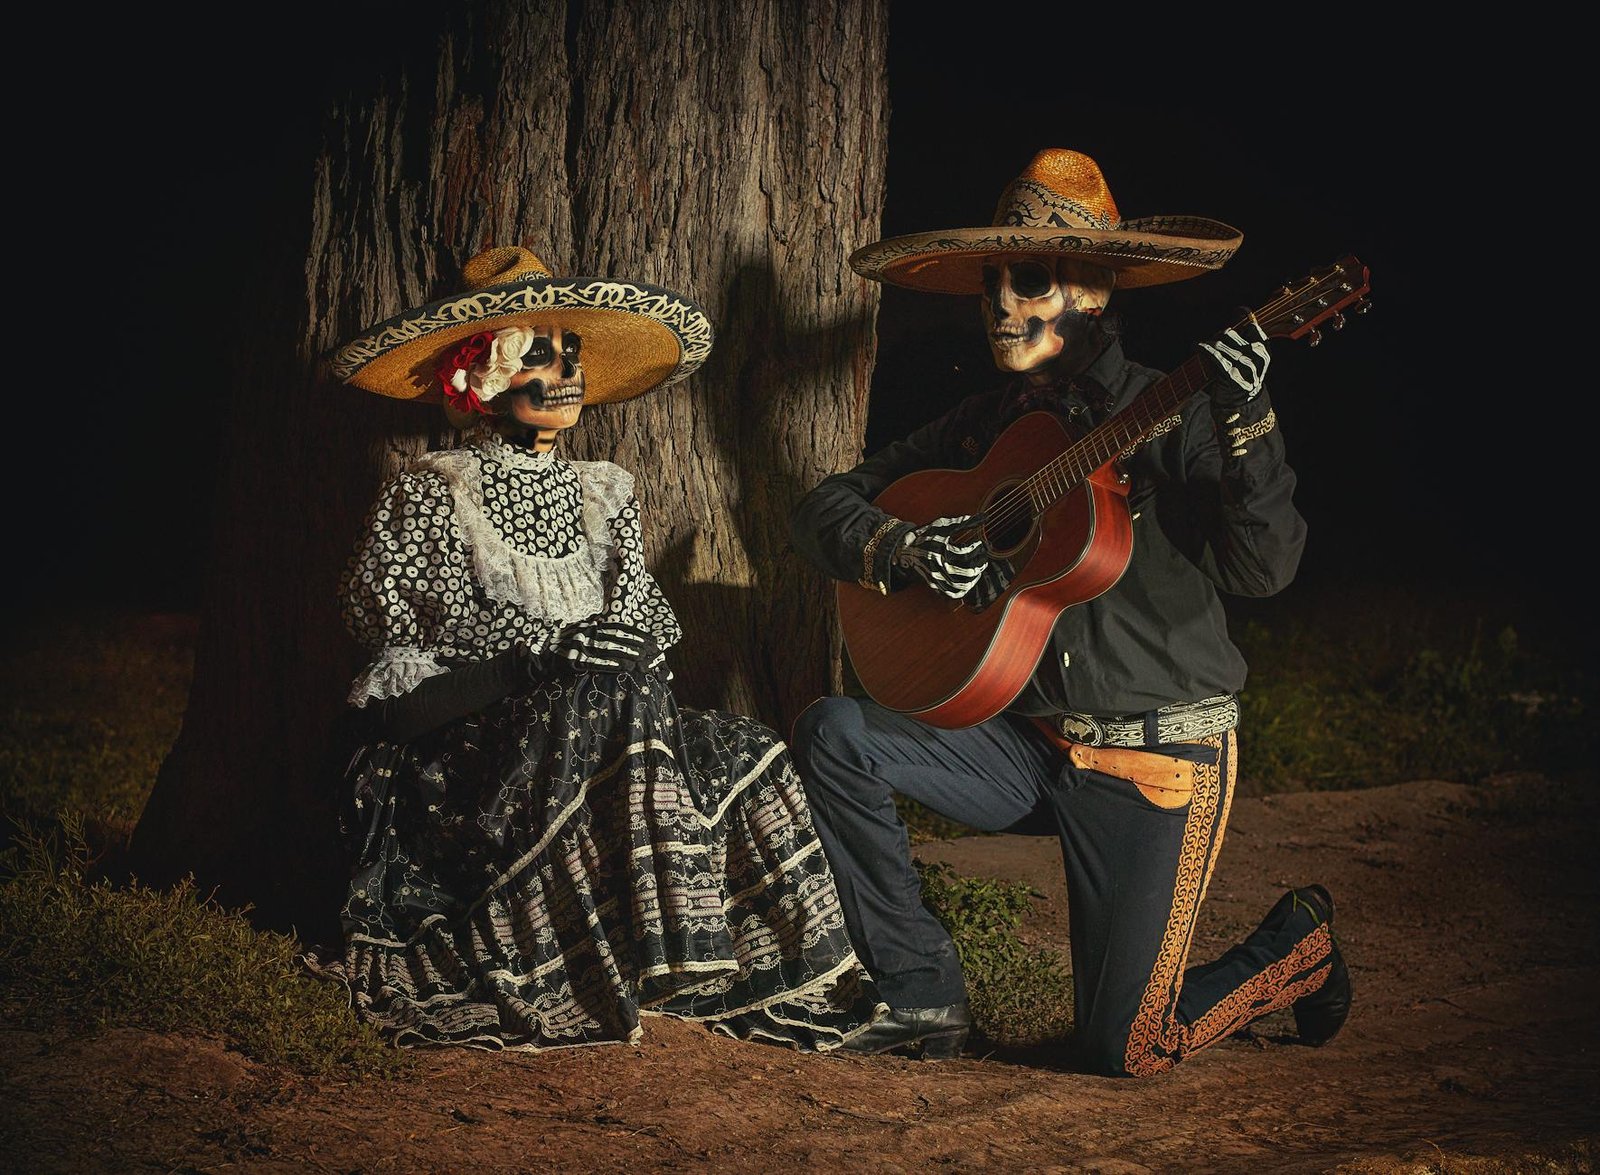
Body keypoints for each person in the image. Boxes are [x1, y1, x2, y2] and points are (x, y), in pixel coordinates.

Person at [787, 148, 1351, 1076]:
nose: (1001, 302)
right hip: (1024, 747)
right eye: (993, 283)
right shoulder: (982, 425)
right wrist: (907, 548)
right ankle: (921, 984)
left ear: (1089, 289)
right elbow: (824, 508)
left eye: (1031, 278)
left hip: (1153, 757)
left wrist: (1248, 417)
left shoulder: (1176, 410)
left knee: (1127, 1046)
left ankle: (1296, 946)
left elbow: (1265, 569)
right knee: (835, 731)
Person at [307, 244, 886, 1052]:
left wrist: (622, 651)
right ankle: (621, 958)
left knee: (748, 748)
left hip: (601, 728)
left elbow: (637, 627)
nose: (566, 371)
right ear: (483, 375)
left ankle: (736, 972)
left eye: (571, 351)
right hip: (474, 751)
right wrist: (535, 664)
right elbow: (399, 694)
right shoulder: (432, 490)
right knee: (601, 697)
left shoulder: (603, 493)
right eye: (540, 353)